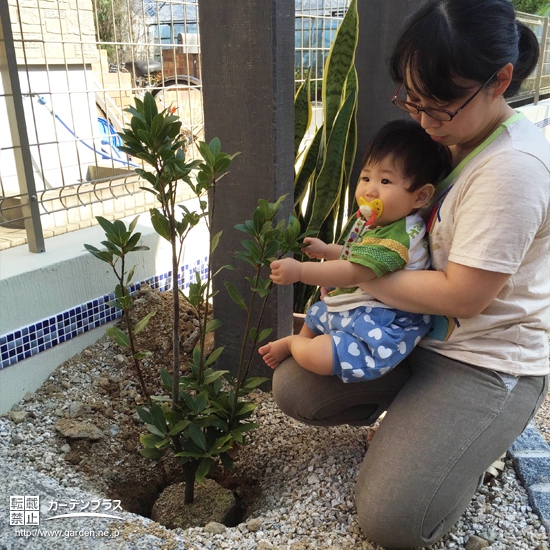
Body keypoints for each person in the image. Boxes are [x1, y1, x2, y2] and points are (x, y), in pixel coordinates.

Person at [271, 0, 550, 548]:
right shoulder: (449, 141)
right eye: (413, 100)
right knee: (297, 387)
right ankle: (422, 431)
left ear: (501, 80)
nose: (423, 121)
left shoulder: (512, 169)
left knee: (394, 522)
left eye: (440, 107)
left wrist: (351, 272)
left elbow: (464, 296)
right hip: (416, 331)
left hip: (486, 361)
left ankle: (459, 448)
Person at [259, 119, 451, 383]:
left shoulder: (400, 237)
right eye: (365, 177)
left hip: (386, 322)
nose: (370, 190)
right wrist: (329, 249)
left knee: (321, 357)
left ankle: (295, 345)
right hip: (367, 308)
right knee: (318, 315)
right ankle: (304, 346)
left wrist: (301, 271)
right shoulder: (386, 223)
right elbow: (358, 255)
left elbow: (354, 271)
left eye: (385, 180)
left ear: (419, 196)